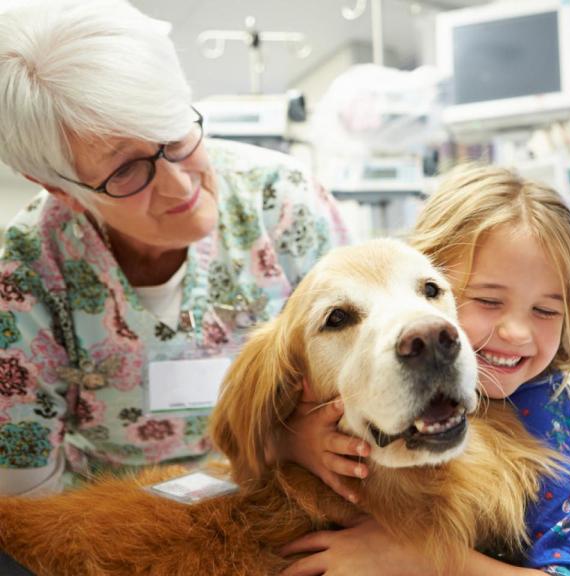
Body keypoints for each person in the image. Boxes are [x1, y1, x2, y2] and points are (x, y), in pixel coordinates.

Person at [0, 0, 369, 507]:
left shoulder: (281, 202)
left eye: (175, 135)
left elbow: (369, 371)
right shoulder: (28, 274)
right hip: (116, 522)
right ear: (60, 188)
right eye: (126, 170)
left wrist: (288, 441)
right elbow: (27, 494)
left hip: (292, 495)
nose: (180, 186)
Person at [280, 165, 570, 576]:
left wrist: (422, 559)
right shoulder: (395, 366)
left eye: (545, 310)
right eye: (487, 301)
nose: (517, 333)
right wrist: (293, 442)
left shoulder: (548, 414)